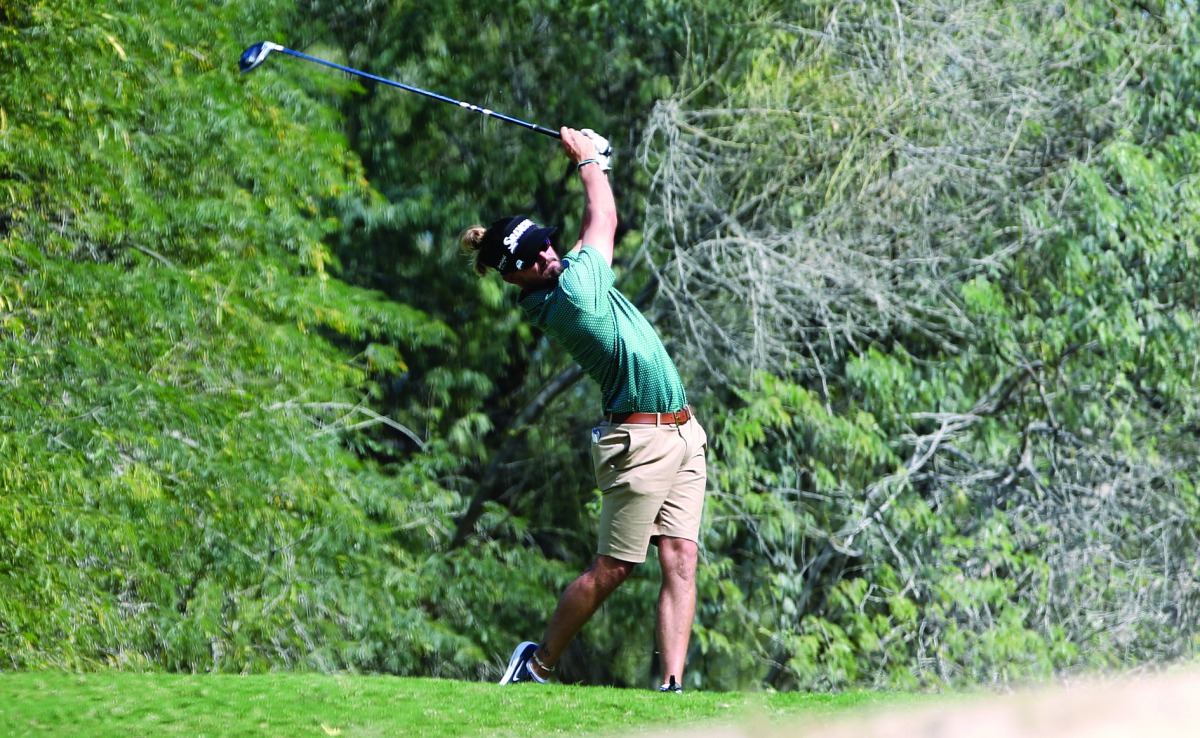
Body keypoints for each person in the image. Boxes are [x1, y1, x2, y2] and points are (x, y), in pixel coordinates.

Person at [459, 127, 707, 693]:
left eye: (545, 244)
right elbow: (603, 222)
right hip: (638, 443)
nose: (546, 255)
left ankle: (671, 688)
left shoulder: (568, 274)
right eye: (531, 256)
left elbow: (585, 236)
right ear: (512, 274)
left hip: (683, 431)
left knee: (682, 557)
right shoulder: (570, 296)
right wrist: (590, 160)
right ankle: (538, 663)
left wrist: (599, 165)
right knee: (614, 569)